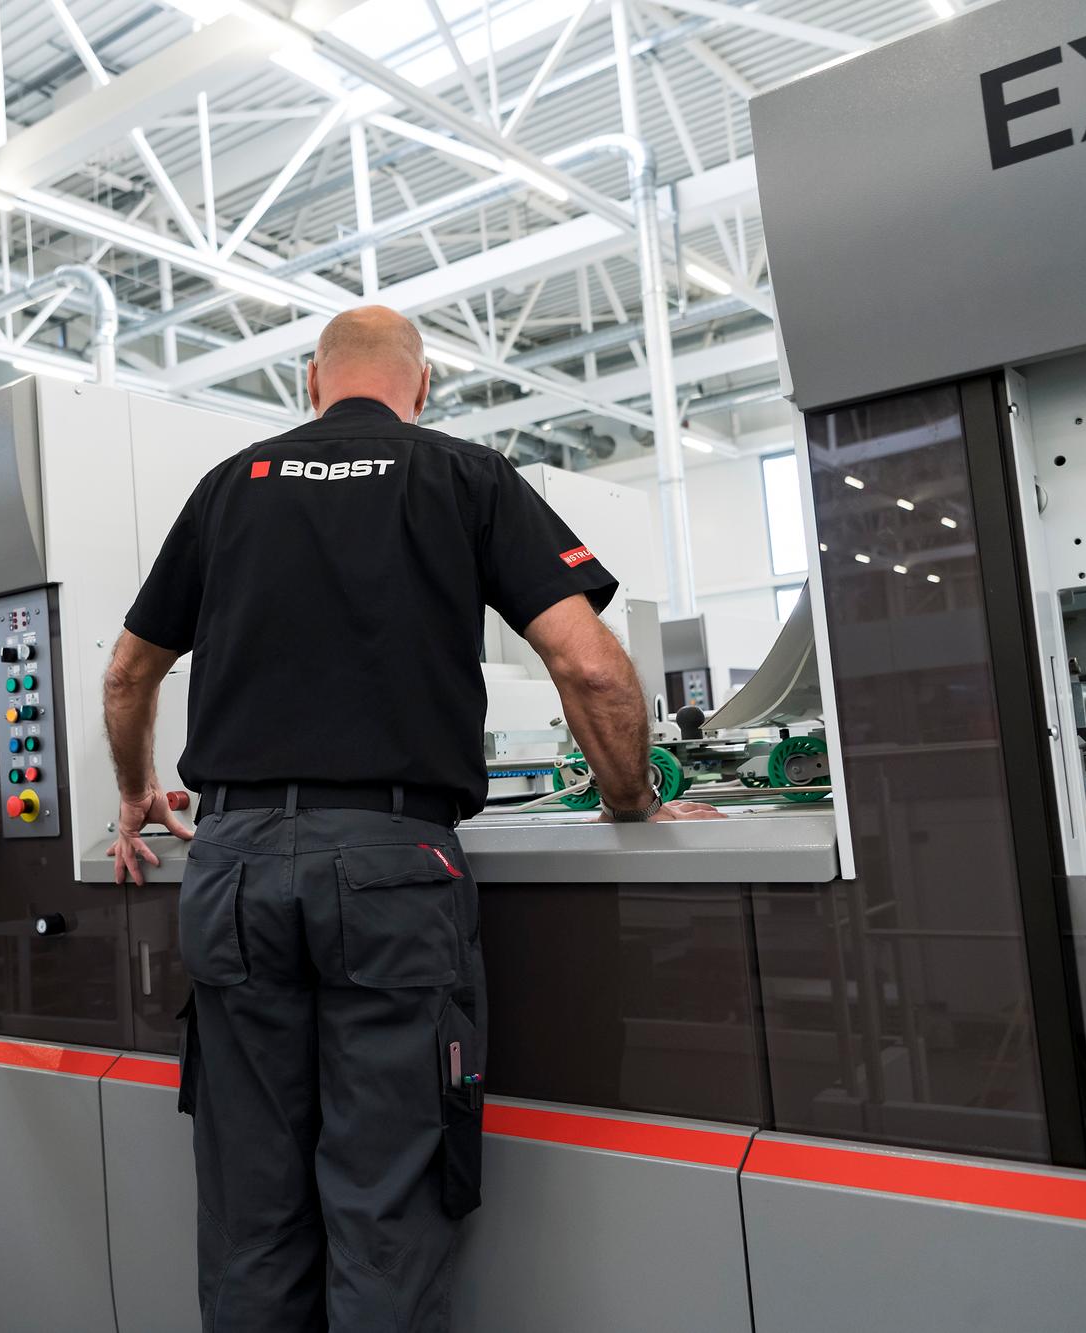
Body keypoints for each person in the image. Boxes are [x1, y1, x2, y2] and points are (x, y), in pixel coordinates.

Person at [101, 305, 721, 1332]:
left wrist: (133, 793)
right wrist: (632, 800)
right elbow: (590, 666)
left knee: (249, 1207)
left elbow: (128, 674)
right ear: (421, 387)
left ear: (310, 383)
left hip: (234, 865)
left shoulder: (228, 487)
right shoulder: (463, 475)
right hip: (391, 866)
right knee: (383, 1198)